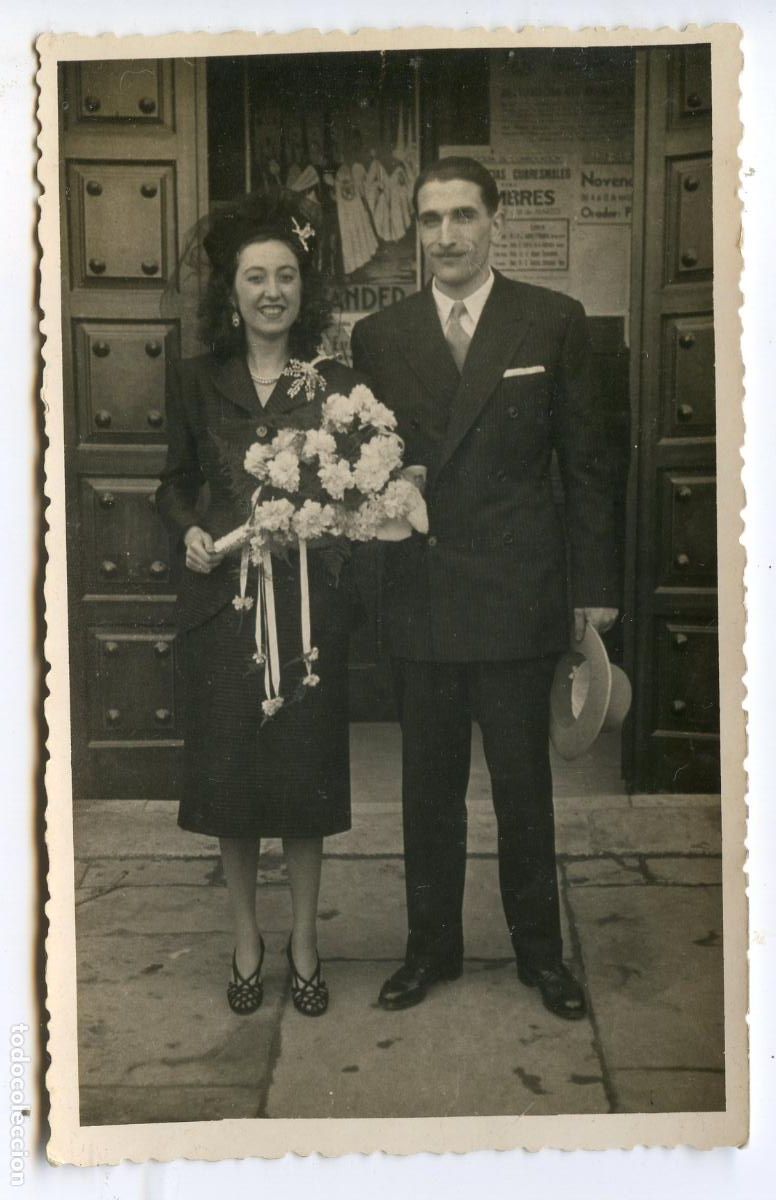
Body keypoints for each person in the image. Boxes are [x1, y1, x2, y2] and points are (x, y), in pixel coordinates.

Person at [351, 156, 619, 1020]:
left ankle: (542, 954)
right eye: (430, 221)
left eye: (463, 216)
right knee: (427, 788)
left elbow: (586, 465)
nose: (447, 237)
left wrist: (595, 587)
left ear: (494, 220)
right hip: (423, 594)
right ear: (416, 231)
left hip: (518, 591)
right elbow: (364, 469)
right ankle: (430, 950)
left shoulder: (552, 321)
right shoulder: (382, 337)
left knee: (522, 789)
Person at [156, 190, 363, 1018]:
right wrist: (190, 534)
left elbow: (359, 495)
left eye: (285, 276)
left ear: (302, 291)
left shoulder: (337, 384)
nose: (271, 290)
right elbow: (173, 486)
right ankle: (246, 938)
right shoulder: (196, 381)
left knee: (304, 788)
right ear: (231, 292)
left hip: (306, 616)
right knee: (232, 789)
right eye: (254, 277)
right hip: (223, 616)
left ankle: (305, 941)